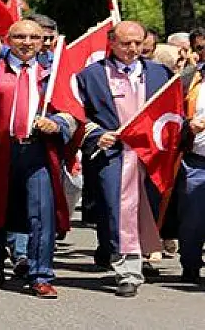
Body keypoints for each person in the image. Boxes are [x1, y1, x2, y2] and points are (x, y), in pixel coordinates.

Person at [0, 0, 75, 298]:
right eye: (20, 37)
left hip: (38, 153)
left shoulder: (54, 74)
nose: (27, 42)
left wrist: (56, 124)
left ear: (44, 42)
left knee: (41, 214)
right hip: (0, 151)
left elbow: (71, 110)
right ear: (8, 40)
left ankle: (40, 274)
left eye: (34, 37)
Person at [75, 21, 172, 298]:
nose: (132, 49)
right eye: (125, 43)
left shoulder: (159, 73)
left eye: (137, 43)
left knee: (149, 207)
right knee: (118, 209)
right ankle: (127, 270)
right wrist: (97, 134)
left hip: (151, 154)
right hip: (113, 154)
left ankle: (141, 254)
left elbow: (171, 112)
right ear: (112, 42)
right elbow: (80, 116)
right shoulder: (92, 76)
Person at [176, 31, 205, 284]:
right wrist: (188, 125)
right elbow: (168, 116)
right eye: (200, 48)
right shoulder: (188, 79)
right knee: (192, 220)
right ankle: (191, 265)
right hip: (196, 162)